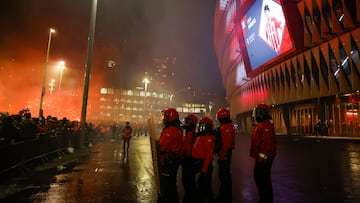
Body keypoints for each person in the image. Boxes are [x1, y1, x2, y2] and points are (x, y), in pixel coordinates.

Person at [250, 104, 277, 203]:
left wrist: (262, 158)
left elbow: (267, 146)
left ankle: (266, 200)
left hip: (264, 159)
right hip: (261, 158)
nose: (257, 114)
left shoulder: (265, 126)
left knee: (263, 181)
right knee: (260, 180)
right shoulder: (261, 125)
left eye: (259, 112)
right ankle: (264, 199)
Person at [158, 108, 183, 203]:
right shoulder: (177, 129)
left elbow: (162, 147)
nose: (164, 118)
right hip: (174, 160)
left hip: (169, 161)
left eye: (166, 116)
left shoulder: (171, 130)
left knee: (167, 186)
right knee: (172, 184)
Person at [192, 117, 216, 203]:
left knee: (202, 185)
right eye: (200, 125)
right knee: (206, 185)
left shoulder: (208, 138)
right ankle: (209, 199)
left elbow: (209, 156)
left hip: (205, 165)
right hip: (202, 164)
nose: (201, 128)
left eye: (203, 126)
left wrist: (204, 170)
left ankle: (204, 200)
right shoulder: (202, 137)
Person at [215, 108, 235, 203]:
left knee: (225, 178)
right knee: (224, 178)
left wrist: (222, 157)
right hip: (225, 155)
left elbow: (226, 145)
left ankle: (226, 198)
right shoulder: (228, 127)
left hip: (224, 156)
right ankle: (222, 197)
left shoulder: (225, 128)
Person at [181, 114, 198, 203]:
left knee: (189, 183)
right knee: (186, 182)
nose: (186, 123)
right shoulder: (186, 134)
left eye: (188, 121)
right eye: (186, 121)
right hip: (185, 161)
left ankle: (191, 199)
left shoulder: (194, 136)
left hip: (190, 161)